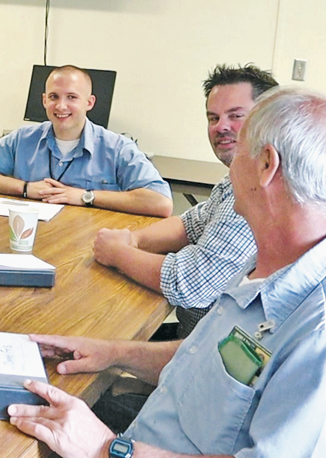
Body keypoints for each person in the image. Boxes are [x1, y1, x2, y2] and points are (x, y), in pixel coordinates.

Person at [9, 87, 326, 458]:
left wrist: (102, 450)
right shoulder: (269, 261)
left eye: (241, 145)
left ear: (266, 165)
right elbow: (214, 362)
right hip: (145, 434)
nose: (229, 160)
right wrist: (114, 353)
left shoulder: (316, 328)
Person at [94, 64, 278, 338]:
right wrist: (132, 240)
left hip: (210, 353)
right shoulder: (236, 176)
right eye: (213, 118)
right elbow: (189, 224)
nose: (221, 127)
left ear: (269, 118)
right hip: (194, 339)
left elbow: (192, 283)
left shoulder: (260, 187)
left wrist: (118, 254)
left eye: (235, 115)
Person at [0, 65, 173, 218]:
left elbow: (161, 203)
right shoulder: (23, 139)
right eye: (53, 97)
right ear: (43, 100)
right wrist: (25, 188)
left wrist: (86, 196)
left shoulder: (117, 148)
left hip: (88, 248)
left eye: (71, 97)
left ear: (89, 102)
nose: (61, 106)